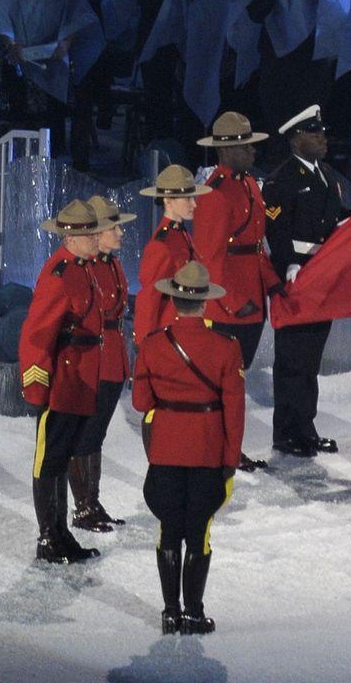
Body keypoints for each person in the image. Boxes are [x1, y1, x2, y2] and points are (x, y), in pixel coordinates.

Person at [131, 259, 244, 636]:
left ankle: (169, 612)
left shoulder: (152, 346)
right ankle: (194, 614)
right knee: (199, 534)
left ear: (174, 301)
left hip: (165, 453)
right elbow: (235, 412)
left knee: (168, 531)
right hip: (207, 453)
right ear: (205, 303)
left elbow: (140, 402)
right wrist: (229, 462)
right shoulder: (226, 348)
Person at [17, 197, 107, 565]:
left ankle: (61, 532)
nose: (95, 238)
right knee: (49, 460)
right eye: (88, 233)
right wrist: (38, 387)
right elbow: (36, 336)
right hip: (61, 381)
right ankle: (47, 537)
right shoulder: (58, 274)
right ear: (69, 237)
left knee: (63, 455)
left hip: (78, 378)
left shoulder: (82, 268)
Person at [263, 103, 350, 457]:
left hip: (321, 277)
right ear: (297, 138)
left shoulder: (327, 175)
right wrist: (288, 265)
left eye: (323, 132)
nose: (323, 138)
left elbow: (334, 221)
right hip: (295, 276)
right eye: (315, 133)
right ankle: (287, 433)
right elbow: (275, 230)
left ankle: (305, 427)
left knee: (311, 359)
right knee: (292, 359)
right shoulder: (282, 180)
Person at [191, 110, 277, 470]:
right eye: (246, 146)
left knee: (235, 383)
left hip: (252, 298)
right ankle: (214, 450)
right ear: (227, 151)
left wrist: (271, 284)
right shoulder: (215, 193)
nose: (254, 151)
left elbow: (257, 244)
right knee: (221, 383)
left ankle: (230, 450)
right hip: (228, 306)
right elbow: (209, 258)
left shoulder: (249, 184)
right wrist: (234, 302)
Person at [70, 192, 135, 534]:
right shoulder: (88, 266)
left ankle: (92, 502)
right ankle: (82, 507)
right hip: (93, 359)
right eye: (114, 227)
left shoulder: (110, 262)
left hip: (112, 356)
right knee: (85, 435)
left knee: (96, 435)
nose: (120, 232)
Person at [134, 164, 199, 345]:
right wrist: (145, 342)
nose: (194, 204)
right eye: (187, 198)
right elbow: (150, 297)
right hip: (170, 334)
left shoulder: (181, 234)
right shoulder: (162, 244)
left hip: (184, 328)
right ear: (168, 200)